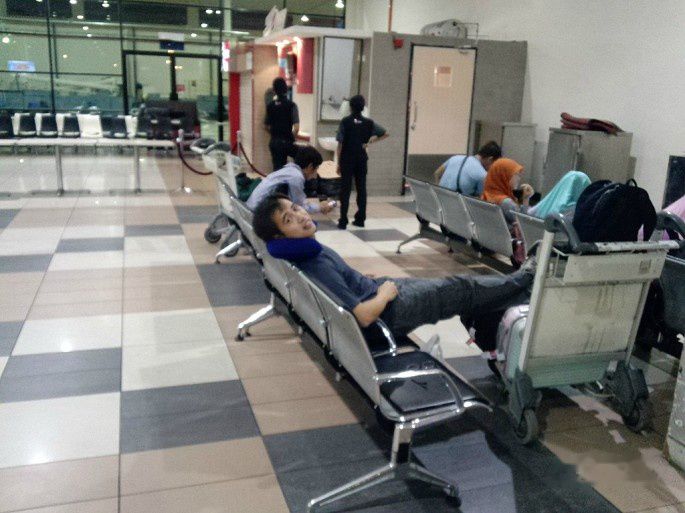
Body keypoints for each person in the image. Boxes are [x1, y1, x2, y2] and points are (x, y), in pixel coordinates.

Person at [252, 194, 533, 335]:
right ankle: (525, 281)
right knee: (463, 288)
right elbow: (363, 317)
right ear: (280, 237)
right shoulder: (315, 262)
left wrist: (357, 279)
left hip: (378, 293)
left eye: (295, 208)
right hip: (389, 310)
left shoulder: (304, 254)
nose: (300, 216)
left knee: (461, 292)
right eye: (288, 220)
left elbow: (338, 285)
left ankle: (516, 296)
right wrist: (384, 295)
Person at [336, 95, 389, 229]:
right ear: (363, 107)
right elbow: (385, 133)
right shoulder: (369, 123)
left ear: (350, 107)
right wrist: (370, 142)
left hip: (347, 158)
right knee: (361, 188)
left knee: (345, 189)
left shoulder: (345, 122)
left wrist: (338, 163)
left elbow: (340, 144)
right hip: (361, 158)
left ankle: (343, 220)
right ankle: (360, 219)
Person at [246, 146, 334, 214]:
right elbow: (299, 206)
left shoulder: (289, 170)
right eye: (316, 168)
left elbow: (298, 199)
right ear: (310, 166)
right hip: (257, 214)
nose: (315, 173)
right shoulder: (296, 177)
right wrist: (320, 207)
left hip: (251, 207)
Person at [434, 141, 502, 196]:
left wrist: (439, 189)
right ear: (490, 159)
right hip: (457, 206)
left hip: (440, 200)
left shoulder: (455, 158)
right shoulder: (482, 174)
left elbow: (437, 173)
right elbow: (483, 199)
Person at [482, 158, 535, 223]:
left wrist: (525, 197)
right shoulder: (506, 203)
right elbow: (524, 222)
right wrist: (526, 199)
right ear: (504, 176)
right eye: (516, 175)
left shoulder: (488, 193)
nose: (519, 178)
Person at [265, 77, 300, 171]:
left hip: (274, 142)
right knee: (302, 157)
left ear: (274, 90)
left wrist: (275, 134)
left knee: (277, 169)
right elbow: (296, 128)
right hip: (286, 142)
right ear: (286, 89)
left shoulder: (270, 106)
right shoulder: (292, 105)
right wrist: (290, 137)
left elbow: (266, 126)